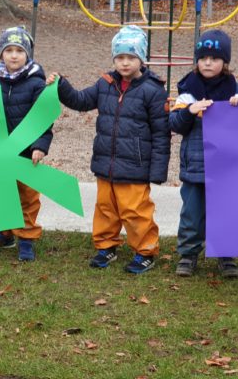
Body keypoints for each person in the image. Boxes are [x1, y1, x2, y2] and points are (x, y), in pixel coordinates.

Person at [47, 25, 170, 274]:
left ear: (141, 59)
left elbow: (161, 133)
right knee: (105, 209)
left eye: (131, 57)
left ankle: (145, 251)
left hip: (135, 167)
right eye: (120, 57)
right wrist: (62, 85)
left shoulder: (153, 90)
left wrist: (157, 170)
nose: (125, 63)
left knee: (135, 212)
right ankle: (106, 246)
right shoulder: (105, 84)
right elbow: (81, 101)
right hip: (106, 164)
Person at [169, 30, 238, 278]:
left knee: (224, 212)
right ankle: (188, 254)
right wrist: (189, 111)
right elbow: (174, 124)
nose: (207, 62)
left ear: (224, 62)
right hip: (195, 166)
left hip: (225, 168)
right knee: (192, 214)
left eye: (214, 58)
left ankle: (226, 255)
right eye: (202, 57)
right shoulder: (187, 91)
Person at [0, 26, 50, 261]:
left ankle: (26, 238)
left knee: (27, 196)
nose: (14, 55)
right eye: (9, 50)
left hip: (26, 152)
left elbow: (43, 119)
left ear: (28, 54)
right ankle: (4, 233)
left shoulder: (37, 83)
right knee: (0, 191)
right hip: (0, 150)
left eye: (19, 50)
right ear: (1, 54)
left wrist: (40, 145)